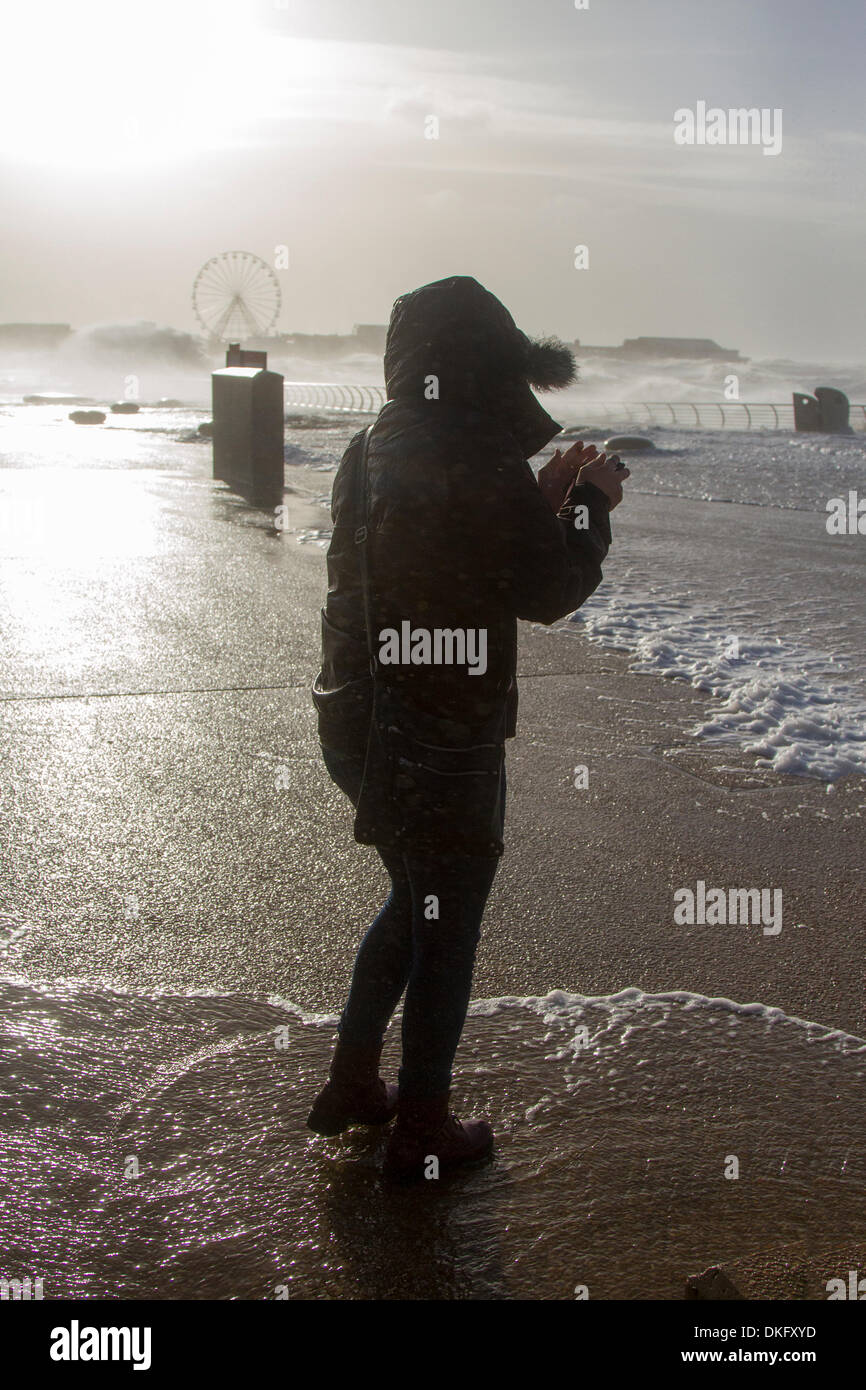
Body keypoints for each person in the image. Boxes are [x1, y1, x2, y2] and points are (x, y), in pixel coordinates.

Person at [308, 275, 628, 1182]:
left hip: (354, 716)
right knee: (445, 919)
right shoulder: (472, 456)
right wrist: (588, 502)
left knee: (417, 902)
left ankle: (352, 1085)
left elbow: (448, 549)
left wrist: (543, 494)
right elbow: (547, 589)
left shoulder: (372, 446)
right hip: (439, 732)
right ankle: (423, 1129)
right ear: (488, 361)